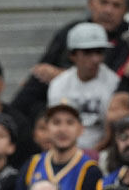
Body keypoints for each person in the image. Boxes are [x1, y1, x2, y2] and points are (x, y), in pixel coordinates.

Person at [11, 0, 129, 122]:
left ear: (126, 11)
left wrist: (63, 76)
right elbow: (43, 69)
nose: (108, 10)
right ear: (91, 3)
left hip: (105, 104)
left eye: (116, 5)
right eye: (103, 3)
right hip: (59, 100)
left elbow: (114, 79)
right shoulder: (71, 31)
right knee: (30, 92)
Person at [12, 100, 102, 190]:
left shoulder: (89, 171)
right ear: (47, 128)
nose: (62, 129)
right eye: (56, 122)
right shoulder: (31, 164)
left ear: (80, 129)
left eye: (70, 123)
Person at [44, 24, 119, 152]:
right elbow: (54, 126)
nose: (95, 59)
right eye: (88, 53)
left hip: (101, 152)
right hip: (64, 150)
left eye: (99, 52)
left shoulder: (114, 83)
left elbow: (110, 133)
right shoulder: (59, 84)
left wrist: (90, 154)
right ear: (72, 55)